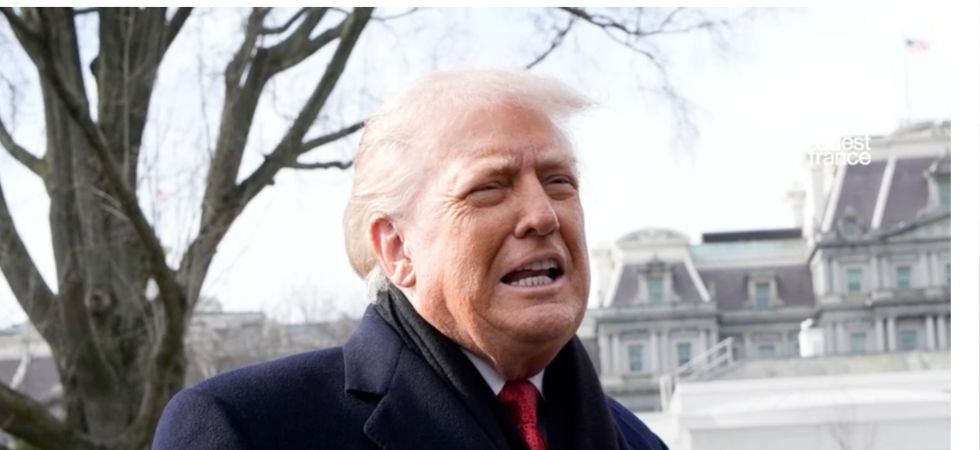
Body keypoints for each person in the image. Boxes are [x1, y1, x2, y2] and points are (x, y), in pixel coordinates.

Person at [152, 69, 669, 450]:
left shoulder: (641, 441)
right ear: (397, 248)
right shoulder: (245, 430)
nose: (542, 215)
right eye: (489, 187)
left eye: (559, 182)